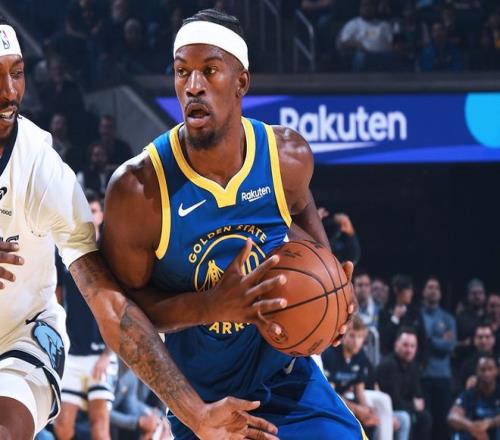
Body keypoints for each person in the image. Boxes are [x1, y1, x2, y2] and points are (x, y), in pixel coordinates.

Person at [0, 18, 277, 440]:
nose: (9, 92)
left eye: (17, 73)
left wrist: (196, 414)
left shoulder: (41, 168)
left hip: (20, 335)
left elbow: (112, 304)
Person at [101, 8, 360, 440]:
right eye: (182, 71)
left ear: (241, 82)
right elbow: (129, 315)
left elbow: (308, 228)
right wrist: (210, 306)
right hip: (204, 403)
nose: (193, 85)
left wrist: (335, 299)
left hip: (287, 378)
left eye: (209, 70)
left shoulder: (285, 157)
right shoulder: (139, 189)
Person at [54, 190, 117, 440]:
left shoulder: (111, 255)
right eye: (85, 212)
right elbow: (56, 297)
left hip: (101, 352)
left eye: (93, 211)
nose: (89, 217)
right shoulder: (65, 252)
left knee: (99, 424)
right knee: (62, 426)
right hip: (72, 352)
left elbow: (121, 306)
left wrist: (108, 354)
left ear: (102, 215)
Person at [322, 316, 396, 440]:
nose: (356, 341)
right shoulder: (331, 354)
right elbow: (331, 394)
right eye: (352, 336)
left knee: (381, 402)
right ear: (343, 336)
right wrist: (357, 409)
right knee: (351, 413)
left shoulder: (361, 355)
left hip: (346, 396)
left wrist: (367, 410)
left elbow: (359, 390)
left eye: (360, 336)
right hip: (329, 398)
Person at [376, 327, 432, 440]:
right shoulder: (388, 366)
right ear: (396, 344)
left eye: (412, 346)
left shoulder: (413, 366)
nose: (409, 350)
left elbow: (418, 396)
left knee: (424, 418)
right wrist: (413, 405)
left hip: (405, 408)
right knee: (408, 417)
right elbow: (393, 401)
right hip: (387, 411)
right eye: (405, 345)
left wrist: (414, 404)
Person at [420, 276, 456, 440]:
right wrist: (439, 338)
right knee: (426, 421)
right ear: (424, 291)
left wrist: (429, 339)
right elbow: (419, 343)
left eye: (436, 288)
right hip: (423, 375)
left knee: (442, 422)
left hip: (443, 376)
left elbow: (449, 345)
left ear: (440, 293)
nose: (433, 291)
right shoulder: (419, 316)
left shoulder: (448, 318)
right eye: (430, 287)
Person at [378, 274, 427, 364]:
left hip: (412, 364)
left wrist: (421, 364)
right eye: (408, 289)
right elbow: (383, 341)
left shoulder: (415, 313)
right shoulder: (384, 312)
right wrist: (395, 318)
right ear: (397, 290)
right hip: (390, 363)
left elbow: (423, 340)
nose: (411, 293)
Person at [448, 355, 500, 440]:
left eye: (490, 369)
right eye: (483, 370)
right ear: (477, 372)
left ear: (497, 371)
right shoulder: (470, 393)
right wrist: (472, 427)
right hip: (475, 433)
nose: (487, 373)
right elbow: (452, 416)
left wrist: (489, 423)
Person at [457, 324, 497, 393]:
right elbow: (459, 389)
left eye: (487, 337)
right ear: (474, 340)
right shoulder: (467, 364)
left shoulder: (498, 361)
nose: (483, 341)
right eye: (480, 337)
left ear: (493, 339)